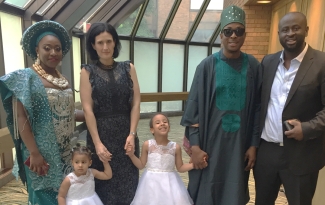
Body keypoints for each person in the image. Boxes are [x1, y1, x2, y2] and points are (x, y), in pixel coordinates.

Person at [180, 5, 261, 205]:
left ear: (244, 35)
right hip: (210, 144)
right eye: (228, 31)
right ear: (220, 35)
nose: (233, 36)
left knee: (234, 189)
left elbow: (259, 108)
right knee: (208, 188)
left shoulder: (253, 65)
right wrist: (196, 147)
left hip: (239, 145)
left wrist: (253, 144)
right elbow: (194, 108)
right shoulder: (206, 66)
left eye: (239, 31)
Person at [0, 20, 84, 204]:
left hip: (65, 149)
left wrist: (96, 116)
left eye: (58, 48)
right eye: (47, 48)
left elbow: (67, 114)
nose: (53, 53)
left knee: (66, 194)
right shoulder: (25, 78)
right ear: (37, 49)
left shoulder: (64, 79)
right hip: (41, 151)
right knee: (43, 196)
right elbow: (20, 118)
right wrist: (34, 153)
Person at [254, 12, 325, 205]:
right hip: (267, 152)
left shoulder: (321, 63)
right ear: (279, 33)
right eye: (285, 30)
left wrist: (307, 128)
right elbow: (259, 104)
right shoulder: (268, 62)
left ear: (306, 30)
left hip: (302, 154)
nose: (290, 33)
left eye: (296, 28)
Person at [80, 22, 141, 205]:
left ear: (115, 43)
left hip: (126, 135)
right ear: (93, 45)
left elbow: (136, 103)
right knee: (103, 186)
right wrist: (97, 144)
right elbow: (87, 109)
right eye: (100, 42)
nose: (105, 47)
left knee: (129, 184)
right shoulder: (87, 71)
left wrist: (132, 134)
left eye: (109, 41)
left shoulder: (128, 67)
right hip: (101, 135)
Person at [125, 113, 194, 205]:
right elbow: (141, 165)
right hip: (151, 183)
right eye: (157, 123)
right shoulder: (147, 145)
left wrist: (194, 164)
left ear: (169, 127)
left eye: (165, 122)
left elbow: (180, 167)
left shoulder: (175, 147)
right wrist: (131, 155)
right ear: (152, 130)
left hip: (170, 183)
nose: (162, 124)